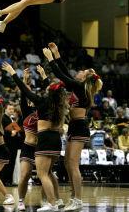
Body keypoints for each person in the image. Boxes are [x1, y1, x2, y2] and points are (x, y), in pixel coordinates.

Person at [43, 42, 103, 210]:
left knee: (72, 164)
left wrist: (51, 60)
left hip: (79, 127)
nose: (78, 72)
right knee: (68, 164)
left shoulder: (80, 88)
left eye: (82, 72)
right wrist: (56, 53)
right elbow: (66, 74)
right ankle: (74, 197)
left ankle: (78, 199)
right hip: (75, 127)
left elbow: (62, 76)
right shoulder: (79, 87)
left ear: (84, 78)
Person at [2, 61, 66, 212]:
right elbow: (25, 93)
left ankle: (52, 200)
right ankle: (22, 201)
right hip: (28, 146)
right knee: (24, 176)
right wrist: (25, 80)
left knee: (46, 174)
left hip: (41, 145)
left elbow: (32, 91)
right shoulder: (28, 110)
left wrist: (15, 74)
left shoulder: (43, 106)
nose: (32, 97)